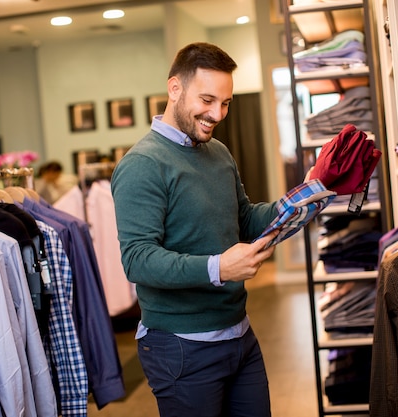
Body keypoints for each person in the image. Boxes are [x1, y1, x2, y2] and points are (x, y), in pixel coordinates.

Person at [110, 42, 280, 417]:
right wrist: (218, 268)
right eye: (207, 100)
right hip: (182, 348)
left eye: (225, 103)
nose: (217, 113)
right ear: (175, 89)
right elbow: (137, 260)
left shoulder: (218, 152)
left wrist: (302, 200)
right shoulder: (142, 164)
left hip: (239, 335)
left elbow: (246, 221)